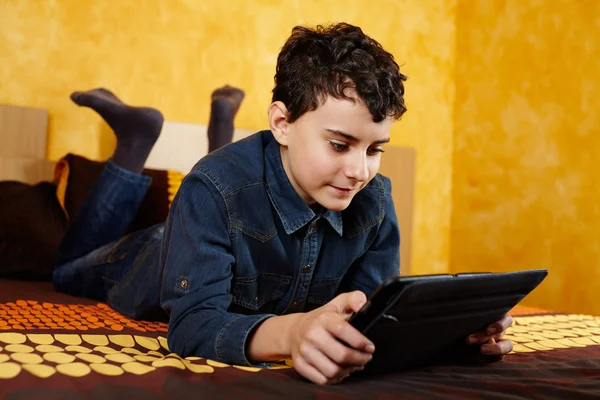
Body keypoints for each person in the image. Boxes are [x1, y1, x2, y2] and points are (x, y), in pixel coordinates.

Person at [52, 22, 513, 385]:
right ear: (282, 122)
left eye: (375, 150)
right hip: (151, 253)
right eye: (339, 145)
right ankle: (134, 143)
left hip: (222, 199)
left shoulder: (374, 202)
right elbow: (192, 325)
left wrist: (453, 334)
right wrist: (292, 333)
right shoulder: (209, 189)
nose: (360, 171)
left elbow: (374, 320)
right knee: (65, 270)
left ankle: (216, 133)